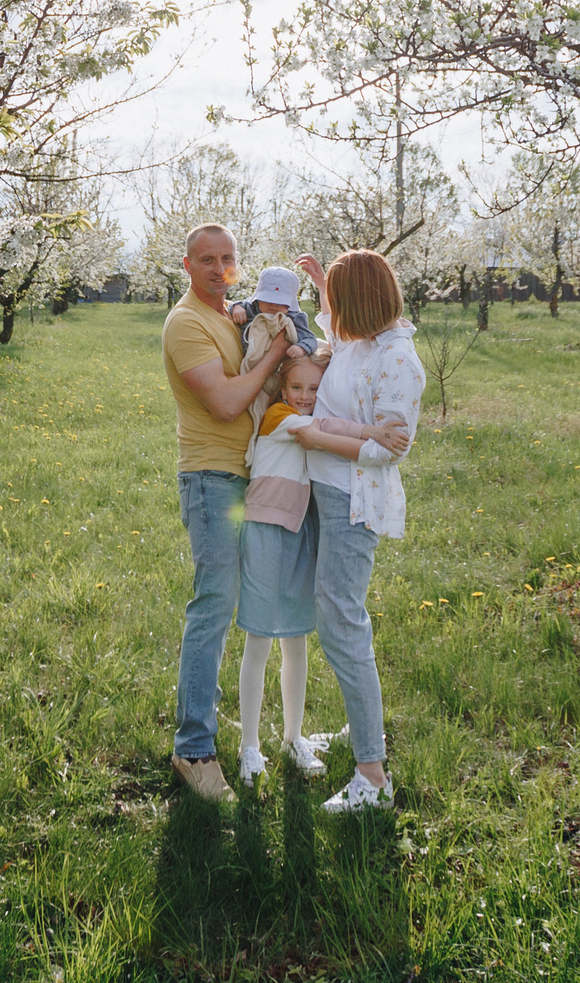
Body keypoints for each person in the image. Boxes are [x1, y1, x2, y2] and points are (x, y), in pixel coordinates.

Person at [161, 222, 300, 801]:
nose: (219, 270)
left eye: (228, 260)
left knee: (248, 604)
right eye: (207, 260)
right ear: (187, 265)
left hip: (251, 476)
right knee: (213, 607)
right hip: (212, 479)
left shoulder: (231, 316)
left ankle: (268, 736)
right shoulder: (187, 323)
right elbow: (222, 403)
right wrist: (275, 357)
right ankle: (194, 749)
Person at [233, 351, 409, 785]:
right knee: (259, 637)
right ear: (281, 388)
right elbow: (323, 429)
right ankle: (249, 746)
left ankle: (294, 738)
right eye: (297, 387)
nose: (305, 397)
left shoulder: (300, 410)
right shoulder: (279, 416)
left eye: (314, 389)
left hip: (300, 528)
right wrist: (372, 433)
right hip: (266, 527)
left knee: (296, 637)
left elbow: (325, 421)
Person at [296, 247, 423, 814]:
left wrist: (316, 433)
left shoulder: (398, 358)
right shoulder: (361, 340)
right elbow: (336, 330)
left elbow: (384, 450)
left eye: (341, 302)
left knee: (341, 621)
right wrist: (325, 282)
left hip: (354, 502)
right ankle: (362, 726)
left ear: (362, 305)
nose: (333, 314)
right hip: (327, 493)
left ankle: (372, 776)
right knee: (339, 618)